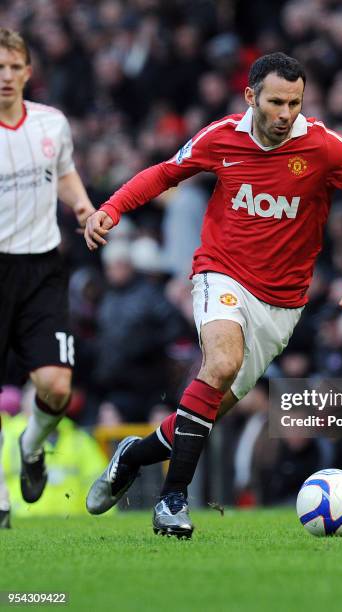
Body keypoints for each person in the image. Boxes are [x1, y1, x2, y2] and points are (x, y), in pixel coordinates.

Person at [85, 52, 342, 538]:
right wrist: (112, 208)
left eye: (294, 103)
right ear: (251, 96)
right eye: (276, 101)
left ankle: (133, 453)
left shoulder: (324, 147)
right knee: (220, 364)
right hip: (222, 273)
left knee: (206, 408)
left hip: (283, 304)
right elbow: (165, 172)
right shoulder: (222, 137)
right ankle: (173, 501)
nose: (285, 114)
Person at [0, 28, 96, 528]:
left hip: (40, 268)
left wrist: (81, 206)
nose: (6, 77)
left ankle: (30, 446)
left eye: (14, 67)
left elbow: (62, 171)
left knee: (57, 387)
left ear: (28, 71)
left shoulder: (51, 124)